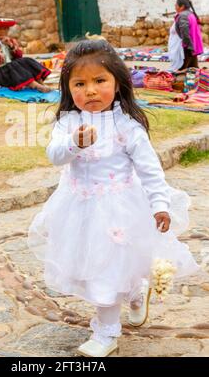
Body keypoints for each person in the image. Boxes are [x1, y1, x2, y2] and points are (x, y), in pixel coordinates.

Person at [28, 39, 199, 357]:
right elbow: (54, 155)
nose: (90, 90)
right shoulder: (68, 122)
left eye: (99, 81)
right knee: (94, 266)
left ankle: (106, 333)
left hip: (120, 208)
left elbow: (150, 170)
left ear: (118, 84)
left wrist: (160, 204)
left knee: (108, 268)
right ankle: (135, 292)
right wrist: (73, 143)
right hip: (78, 207)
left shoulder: (127, 125)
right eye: (80, 83)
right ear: (68, 88)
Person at [0, 18, 51, 93]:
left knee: (26, 60)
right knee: (13, 66)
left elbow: (19, 57)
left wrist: (10, 45)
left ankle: (40, 82)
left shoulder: (10, 41)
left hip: (8, 70)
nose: (3, 32)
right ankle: (36, 86)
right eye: (0, 29)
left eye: (5, 29)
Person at [174, 0, 204, 70]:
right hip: (192, 44)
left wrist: (189, 46)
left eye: (176, 5)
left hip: (188, 46)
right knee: (193, 68)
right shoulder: (190, 13)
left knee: (183, 69)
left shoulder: (183, 15)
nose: (175, 6)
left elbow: (185, 32)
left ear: (182, 7)